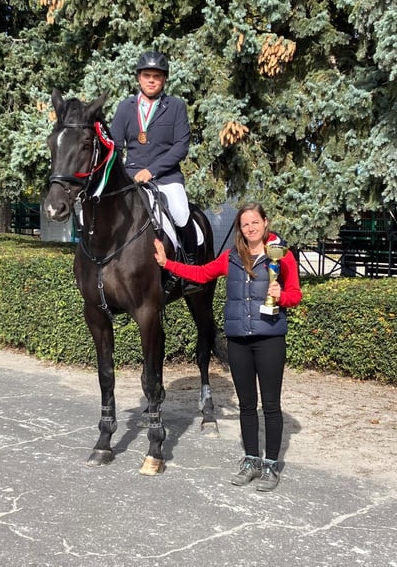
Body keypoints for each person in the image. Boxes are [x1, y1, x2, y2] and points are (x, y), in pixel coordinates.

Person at [153, 202, 303, 491]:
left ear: (265, 223)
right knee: (247, 406)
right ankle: (250, 460)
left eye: (255, 222)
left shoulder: (281, 256)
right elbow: (200, 273)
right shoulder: (231, 257)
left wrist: (281, 295)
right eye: (245, 224)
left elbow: (295, 294)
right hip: (238, 342)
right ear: (241, 228)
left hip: (270, 339)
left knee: (270, 406)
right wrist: (166, 264)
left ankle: (271, 464)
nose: (250, 228)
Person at [110, 51, 199, 271]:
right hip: (130, 177)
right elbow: (115, 146)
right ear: (139, 77)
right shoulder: (125, 107)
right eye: (147, 75)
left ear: (164, 79)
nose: (151, 80)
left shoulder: (176, 106)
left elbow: (181, 147)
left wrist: (151, 171)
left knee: (181, 213)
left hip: (166, 177)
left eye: (157, 76)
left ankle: (190, 266)